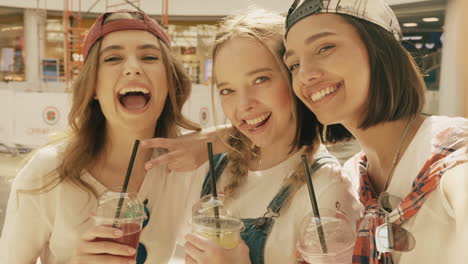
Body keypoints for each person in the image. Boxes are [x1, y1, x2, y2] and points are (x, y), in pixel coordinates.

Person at [0, 10, 202, 264]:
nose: (132, 68)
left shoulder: (184, 168)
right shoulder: (47, 171)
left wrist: (213, 139)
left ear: (170, 82)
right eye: (113, 58)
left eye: (149, 57)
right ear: (93, 86)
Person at [283, 0, 468, 263]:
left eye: (325, 48)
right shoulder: (351, 181)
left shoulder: (453, 154)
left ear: (379, 50)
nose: (305, 75)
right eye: (293, 65)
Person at [176, 9, 361, 264]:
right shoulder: (213, 166)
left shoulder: (327, 188)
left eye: (260, 79)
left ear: (295, 78)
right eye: (228, 90)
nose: (244, 104)